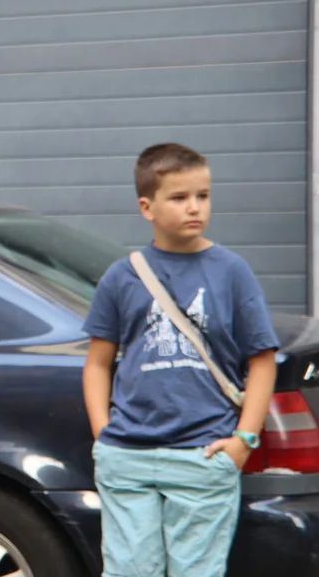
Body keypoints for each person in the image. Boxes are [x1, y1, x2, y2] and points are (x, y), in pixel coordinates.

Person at [82, 142, 279, 577]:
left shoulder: (231, 271)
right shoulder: (122, 276)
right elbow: (98, 362)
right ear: (146, 207)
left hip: (203, 455)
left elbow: (262, 360)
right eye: (179, 197)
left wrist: (243, 441)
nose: (195, 207)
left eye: (203, 195)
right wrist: (103, 436)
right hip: (127, 457)